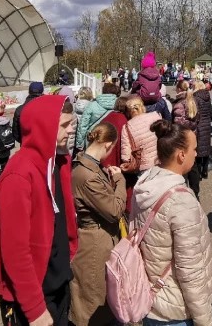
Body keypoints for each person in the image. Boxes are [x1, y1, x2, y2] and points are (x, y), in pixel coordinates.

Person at [0, 95, 77, 326]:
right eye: (64, 125)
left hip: (57, 282)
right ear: (44, 126)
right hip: (32, 294)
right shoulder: (19, 175)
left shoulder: (59, 162)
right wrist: (34, 308)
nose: (70, 131)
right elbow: (14, 249)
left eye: (71, 124)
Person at [131, 118, 212, 326]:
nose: (197, 153)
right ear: (181, 155)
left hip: (150, 298)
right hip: (175, 309)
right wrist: (205, 320)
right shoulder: (182, 202)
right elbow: (191, 270)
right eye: (194, 149)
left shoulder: (145, 185)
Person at [69, 123, 126, 326]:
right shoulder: (88, 174)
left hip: (97, 238)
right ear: (107, 144)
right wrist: (119, 181)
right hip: (94, 243)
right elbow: (114, 210)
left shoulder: (87, 165)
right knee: (94, 300)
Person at [120, 96, 160, 211]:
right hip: (161, 161)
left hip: (143, 166)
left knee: (148, 199)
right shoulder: (155, 116)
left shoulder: (127, 127)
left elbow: (125, 156)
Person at [75, 83, 119, 153]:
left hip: (93, 138)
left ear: (103, 91)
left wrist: (79, 144)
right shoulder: (119, 105)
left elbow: (83, 125)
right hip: (113, 139)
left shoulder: (92, 105)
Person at [191, 82, 212, 182]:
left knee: (199, 149)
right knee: (206, 148)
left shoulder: (195, 98)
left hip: (199, 124)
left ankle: (199, 173)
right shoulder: (208, 97)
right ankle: (205, 171)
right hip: (207, 124)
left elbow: (196, 112)